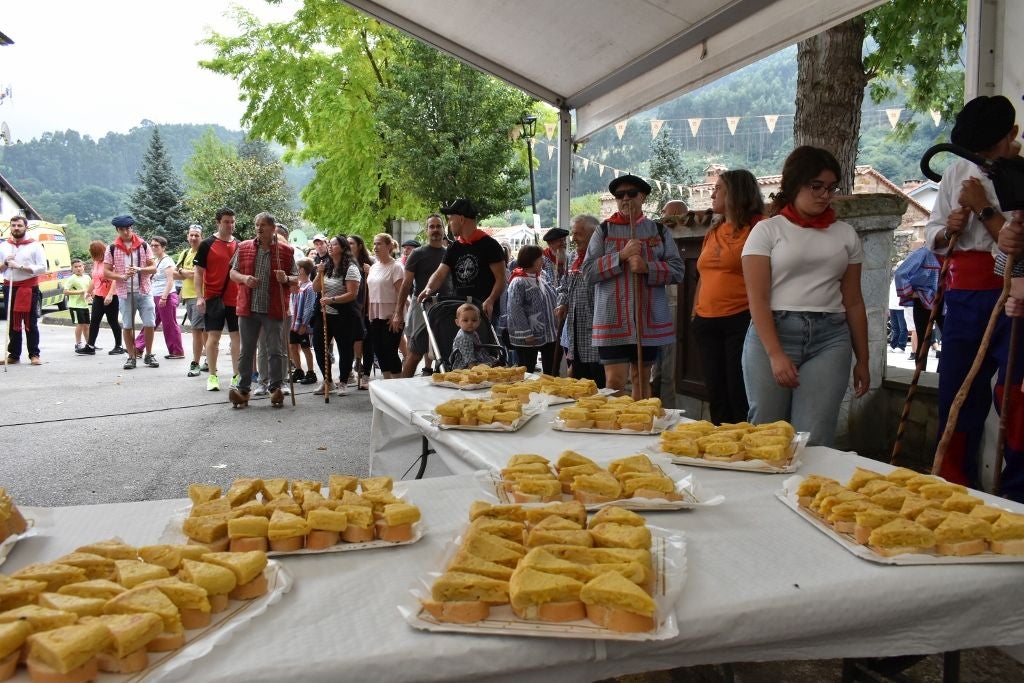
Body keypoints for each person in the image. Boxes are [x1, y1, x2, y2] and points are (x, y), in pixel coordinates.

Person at [923, 95, 1022, 494]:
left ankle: (1016, 495)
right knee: (958, 396)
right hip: (965, 293)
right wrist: (950, 229)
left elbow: (1016, 246)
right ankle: (951, 485)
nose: (980, 159)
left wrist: (982, 209)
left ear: (1012, 135)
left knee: (1014, 397)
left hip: (1014, 294)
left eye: (988, 149)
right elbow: (934, 237)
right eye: (974, 151)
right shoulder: (955, 172)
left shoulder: (1018, 173)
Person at [741, 146, 869, 447]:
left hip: (830, 337)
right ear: (794, 184)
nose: (825, 195)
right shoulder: (767, 231)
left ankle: (806, 493)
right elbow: (757, 299)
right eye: (816, 186)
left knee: (814, 436)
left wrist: (863, 360)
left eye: (830, 188)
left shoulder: (845, 234)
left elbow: (853, 301)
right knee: (767, 435)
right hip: (774, 330)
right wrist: (775, 354)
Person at [583, 175, 685, 399]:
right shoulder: (604, 231)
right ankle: (618, 430)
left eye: (631, 194)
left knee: (642, 378)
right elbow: (588, 272)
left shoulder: (659, 232)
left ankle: (641, 425)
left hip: (647, 321)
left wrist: (648, 267)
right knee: (614, 382)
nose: (625, 199)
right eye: (620, 195)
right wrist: (620, 256)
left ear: (643, 197)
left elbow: (678, 270)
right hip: (612, 321)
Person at [692, 171, 765, 424]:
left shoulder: (758, 229)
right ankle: (719, 446)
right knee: (715, 392)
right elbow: (703, 274)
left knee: (738, 391)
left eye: (719, 188)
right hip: (706, 321)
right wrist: (695, 313)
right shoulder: (713, 231)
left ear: (736, 192)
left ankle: (741, 447)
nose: (712, 193)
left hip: (740, 320)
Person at [227, 212, 297, 408]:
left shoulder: (285, 251)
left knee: (275, 350)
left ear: (273, 228)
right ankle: (243, 390)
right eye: (257, 224)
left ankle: (275, 389)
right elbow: (232, 272)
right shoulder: (244, 247)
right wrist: (244, 279)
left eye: (264, 225)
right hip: (248, 307)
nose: (259, 228)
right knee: (246, 351)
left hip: (274, 308)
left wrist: (286, 279)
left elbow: (295, 279)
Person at [418, 199, 506, 323]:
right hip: (461, 313)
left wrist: (491, 300)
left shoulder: (490, 245)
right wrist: (429, 288)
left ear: (461, 219)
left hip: (484, 313)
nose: (449, 223)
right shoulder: (454, 247)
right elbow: (440, 273)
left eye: (450, 219)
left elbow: (501, 279)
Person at [395, 215, 449, 377]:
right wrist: (398, 312)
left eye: (438, 226)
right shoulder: (417, 254)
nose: (435, 230)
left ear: (443, 229)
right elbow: (406, 285)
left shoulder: (450, 254)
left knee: (444, 352)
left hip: (445, 308)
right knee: (415, 352)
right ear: (426, 231)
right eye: (431, 227)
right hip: (422, 308)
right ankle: (402, 390)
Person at [195, 208, 241, 391]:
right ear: (218, 223)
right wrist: (199, 297)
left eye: (232, 221)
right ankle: (212, 375)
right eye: (226, 222)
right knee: (213, 338)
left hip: (236, 299)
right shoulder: (207, 244)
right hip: (214, 298)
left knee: (236, 337)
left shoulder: (238, 244)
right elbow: (198, 273)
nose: (230, 225)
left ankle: (236, 375)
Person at [103, 215, 158, 370]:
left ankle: (149, 354)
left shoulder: (143, 245)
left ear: (132, 228)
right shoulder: (112, 248)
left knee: (149, 323)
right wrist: (121, 276)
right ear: (117, 230)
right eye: (122, 229)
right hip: (124, 292)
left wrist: (140, 269)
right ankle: (131, 356)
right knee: (127, 325)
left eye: (128, 228)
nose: (126, 232)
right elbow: (106, 272)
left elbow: (153, 268)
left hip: (144, 290)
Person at [555, 214, 603, 387]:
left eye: (578, 234)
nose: (573, 239)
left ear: (594, 234)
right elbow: (564, 286)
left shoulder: (603, 257)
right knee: (579, 385)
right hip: (575, 332)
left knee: (598, 384)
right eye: (573, 234)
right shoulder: (572, 257)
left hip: (597, 332)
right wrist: (562, 302)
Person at [650, 199, 688, 407]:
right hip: (657, 306)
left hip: (670, 307)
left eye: (664, 212)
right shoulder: (657, 234)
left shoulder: (665, 235)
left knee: (666, 369)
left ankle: (666, 409)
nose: (662, 216)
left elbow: (676, 272)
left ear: (673, 214)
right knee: (655, 368)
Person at [313, 235, 362, 397]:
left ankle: (343, 381)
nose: (330, 246)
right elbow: (315, 288)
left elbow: (352, 294)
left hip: (344, 314)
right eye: (330, 244)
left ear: (342, 248)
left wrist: (331, 299)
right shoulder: (325, 265)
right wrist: (318, 273)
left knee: (344, 348)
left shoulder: (351, 268)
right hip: (324, 314)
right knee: (319, 345)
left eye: (333, 244)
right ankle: (328, 381)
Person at [1, 215, 46, 365]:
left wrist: (19, 266)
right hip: (10, 286)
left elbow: (42, 268)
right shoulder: (4, 246)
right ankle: (14, 354)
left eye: (19, 225)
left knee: (30, 322)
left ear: (25, 227)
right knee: (12, 322)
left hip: (29, 287)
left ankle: (34, 354)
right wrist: (6, 263)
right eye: (13, 225)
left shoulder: (35, 245)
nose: (16, 228)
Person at [507, 244, 559, 374]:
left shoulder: (542, 276)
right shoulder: (518, 282)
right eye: (540, 258)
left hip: (548, 334)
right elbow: (515, 309)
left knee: (551, 370)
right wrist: (526, 333)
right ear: (531, 260)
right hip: (528, 336)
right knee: (526, 370)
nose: (543, 261)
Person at [135, 236, 184, 360]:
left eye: (156, 245)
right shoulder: (156, 260)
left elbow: (170, 280)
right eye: (152, 245)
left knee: (170, 325)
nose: (153, 247)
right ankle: (138, 347)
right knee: (150, 322)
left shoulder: (167, 261)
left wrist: (164, 297)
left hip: (165, 296)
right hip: (155, 295)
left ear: (163, 247)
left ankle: (177, 351)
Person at [894, 243, 942, 365]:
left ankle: (942, 373)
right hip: (924, 301)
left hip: (945, 300)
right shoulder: (924, 253)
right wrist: (911, 293)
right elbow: (901, 273)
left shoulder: (953, 252)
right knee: (923, 338)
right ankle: (920, 373)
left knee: (950, 338)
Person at [366, 233, 405, 380]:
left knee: (390, 350)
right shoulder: (374, 267)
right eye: (374, 244)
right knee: (379, 350)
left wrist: (397, 314)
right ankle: (387, 383)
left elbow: (402, 292)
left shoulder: (396, 267)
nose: (375, 247)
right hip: (375, 314)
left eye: (379, 244)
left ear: (389, 246)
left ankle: (397, 384)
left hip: (391, 315)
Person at [77, 240, 124, 356]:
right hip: (98, 295)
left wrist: (110, 294)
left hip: (111, 296)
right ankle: (90, 346)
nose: (93, 257)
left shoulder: (110, 262)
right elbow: (95, 278)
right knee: (94, 321)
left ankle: (119, 346)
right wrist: (88, 291)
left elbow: (115, 279)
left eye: (94, 254)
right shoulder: (96, 262)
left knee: (112, 321)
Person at [175, 225, 206, 376]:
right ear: (187, 236)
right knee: (203, 331)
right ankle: (207, 360)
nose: (193, 238)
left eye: (197, 235)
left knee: (198, 331)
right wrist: (185, 272)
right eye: (191, 235)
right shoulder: (185, 253)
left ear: (202, 237)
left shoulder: (204, 252)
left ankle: (196, 363)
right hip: (188, 297)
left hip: (200, 296)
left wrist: (183, 272)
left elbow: (199, 274)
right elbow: (174, 273)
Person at [349, 234, 374, 389]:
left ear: (359, 245)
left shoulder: (370, 263)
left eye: (351, 243)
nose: (348, 246)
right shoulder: (346, 263)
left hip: (367, 308)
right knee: (353, 340)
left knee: (368, 342)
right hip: (352, 309)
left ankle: (366, 375)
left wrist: (370, 272)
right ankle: (357, 364)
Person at [290, 258, 318, 385]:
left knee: (305, 347)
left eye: (297, 268)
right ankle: (298, 369)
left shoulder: (310, 287)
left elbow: (309, 307)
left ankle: (311, 372)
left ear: (302, 269)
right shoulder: (298, 285)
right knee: (293, 346)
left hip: (302, 324)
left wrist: (304, 323)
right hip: (293, 323)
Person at [450, 302, 500, 369]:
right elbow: (468, 357)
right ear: (457, 322)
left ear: (479, 322)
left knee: (496, 363)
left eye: (474, 320)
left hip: (478, 357)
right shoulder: (463, 337)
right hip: (466, 364)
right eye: (465, 320)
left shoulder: (473, 333)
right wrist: (474, 369)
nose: (470, 323)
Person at [64, 258, 91, 350]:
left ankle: (89, 344)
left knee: (87, 325)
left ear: (84, 267)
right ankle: (78, 343)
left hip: (85, 305)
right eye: (76, 267)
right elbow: (66, 292)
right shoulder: (71, 279)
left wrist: (91, 295)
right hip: (75, 306)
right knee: (80, 324)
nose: (78, 268)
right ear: (72, 268)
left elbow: (89, 290)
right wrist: (81, 292)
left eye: (80, 266)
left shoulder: (87, 277)